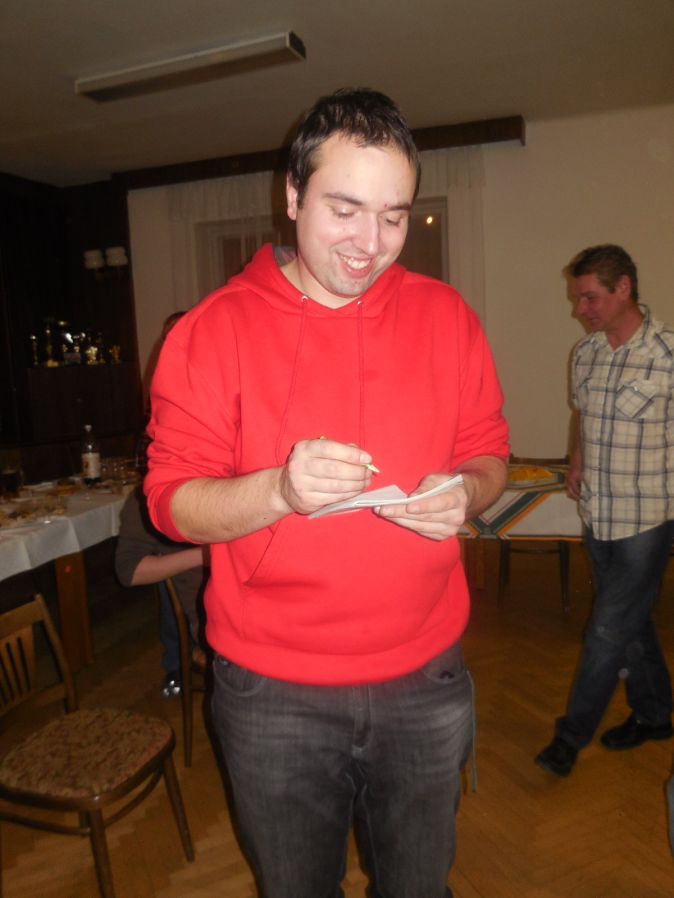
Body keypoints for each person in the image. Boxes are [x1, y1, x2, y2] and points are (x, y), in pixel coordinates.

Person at [145, 87, 509, 898]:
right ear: (292, 195)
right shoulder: (211, 330)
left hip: (426, 677)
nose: (370, 245)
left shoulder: (447, 316)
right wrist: (278, 489)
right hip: (273, 693)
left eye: (393, 217)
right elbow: (171, 504)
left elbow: (489, 452)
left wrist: (468, 493)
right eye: (345, 210)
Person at [536, 244, 674, 778]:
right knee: (632, 624)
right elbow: (582, 414)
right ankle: (656, 714)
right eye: (578, 298)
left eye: (590, 297)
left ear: (624, 289)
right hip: (598, 514)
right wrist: (577, 458)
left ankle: (569, 738)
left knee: (606, 631)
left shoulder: (666, 353)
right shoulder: (586, 352)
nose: (581, 309)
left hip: (648, 518)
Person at [115, 485, 208, 695]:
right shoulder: (151, 495)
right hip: (220, 622)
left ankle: (177, 662)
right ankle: (176, 662)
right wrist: (205, 556)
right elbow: (129, 571)